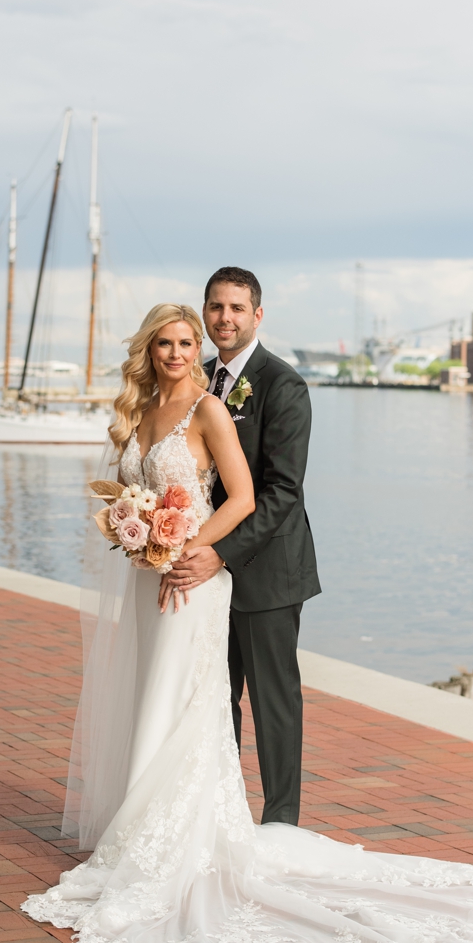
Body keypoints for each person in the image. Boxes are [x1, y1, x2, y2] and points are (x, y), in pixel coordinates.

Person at [23, 303, 473, 943]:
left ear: (242, 320)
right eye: (168, 341)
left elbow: (247, 497)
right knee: (145, 696)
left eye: (188, 340)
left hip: (195, 574)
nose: (179, 351)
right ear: (149, 349)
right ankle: (139, 827)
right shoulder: (139, 411)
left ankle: (182, 839)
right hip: (148, 579)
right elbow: (130, 490)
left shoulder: (215, 407)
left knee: (191, 703)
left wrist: (189, 546)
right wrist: (133, 529)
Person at [162, 267, 320, 824]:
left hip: (267, 569)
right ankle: (220, 814)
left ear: (257, 315)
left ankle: (281, 824)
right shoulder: (195, 379)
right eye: (215, 307)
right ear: (204, 313)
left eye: (236, 308)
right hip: (204, 573)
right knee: (213, 696)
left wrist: (220, 553)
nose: (224, 318)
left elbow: (283, 492)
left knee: (273, 703)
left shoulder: (283, 384)